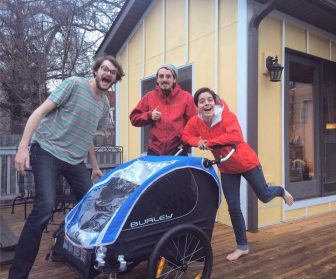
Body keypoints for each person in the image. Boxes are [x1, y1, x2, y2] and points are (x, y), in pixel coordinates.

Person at [8, 55, 125, 279]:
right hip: (47, 151)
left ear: (115, 79)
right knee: (44, 207)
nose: (108, 74)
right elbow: (39, 112)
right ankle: (17, 275)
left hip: (74, 161)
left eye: (112, 73)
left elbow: (87, 134)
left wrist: (94, 166)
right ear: (96, 71)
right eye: (105, 69)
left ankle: (62, 246)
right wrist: (23, 146)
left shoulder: (102, 105)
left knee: (91, 206)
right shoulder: (73, 84)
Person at [182, 87, 294, 261]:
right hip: (227, 168)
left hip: (247, 162)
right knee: (233, 207)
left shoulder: (226, 116)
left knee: (264, 195)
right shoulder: (196, 122)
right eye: (202, 101)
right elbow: (186, 135)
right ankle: (242, 246)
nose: (206, 103)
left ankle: (280, 191)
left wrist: (209, 143)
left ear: (215, 101)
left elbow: (236, 137)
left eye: (209, 99)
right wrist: (198, 142)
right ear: (197, 106)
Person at [129, 64, 197, 155]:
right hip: (154, 151)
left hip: (178, 151)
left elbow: (195, 123)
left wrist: (186, 143)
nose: (164, 79)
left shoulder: (186, 97)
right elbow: (134, 118)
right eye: (161, 76)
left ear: (174, 79)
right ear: (157, 80)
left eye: (168, 76)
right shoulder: (149, 96)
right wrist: (149, 115)